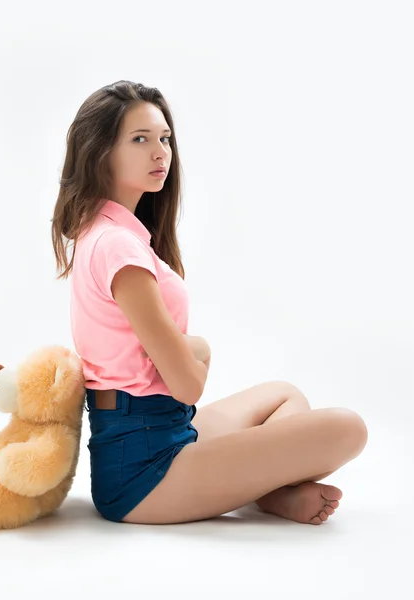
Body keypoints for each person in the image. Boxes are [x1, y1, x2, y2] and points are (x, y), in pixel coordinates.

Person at [51, 80, 368, 526]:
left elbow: (175, 380)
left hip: (168, 431)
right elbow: (188, 385)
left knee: (285, 395)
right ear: (99, 151)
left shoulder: (108, 232)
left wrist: (186, 355)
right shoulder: (117, 247)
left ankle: (268, 491)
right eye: (140, 140)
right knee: (347, 428)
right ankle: (266, 491)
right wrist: (201, 349)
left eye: (164, 138)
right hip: (143, 473)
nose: (160, 152)